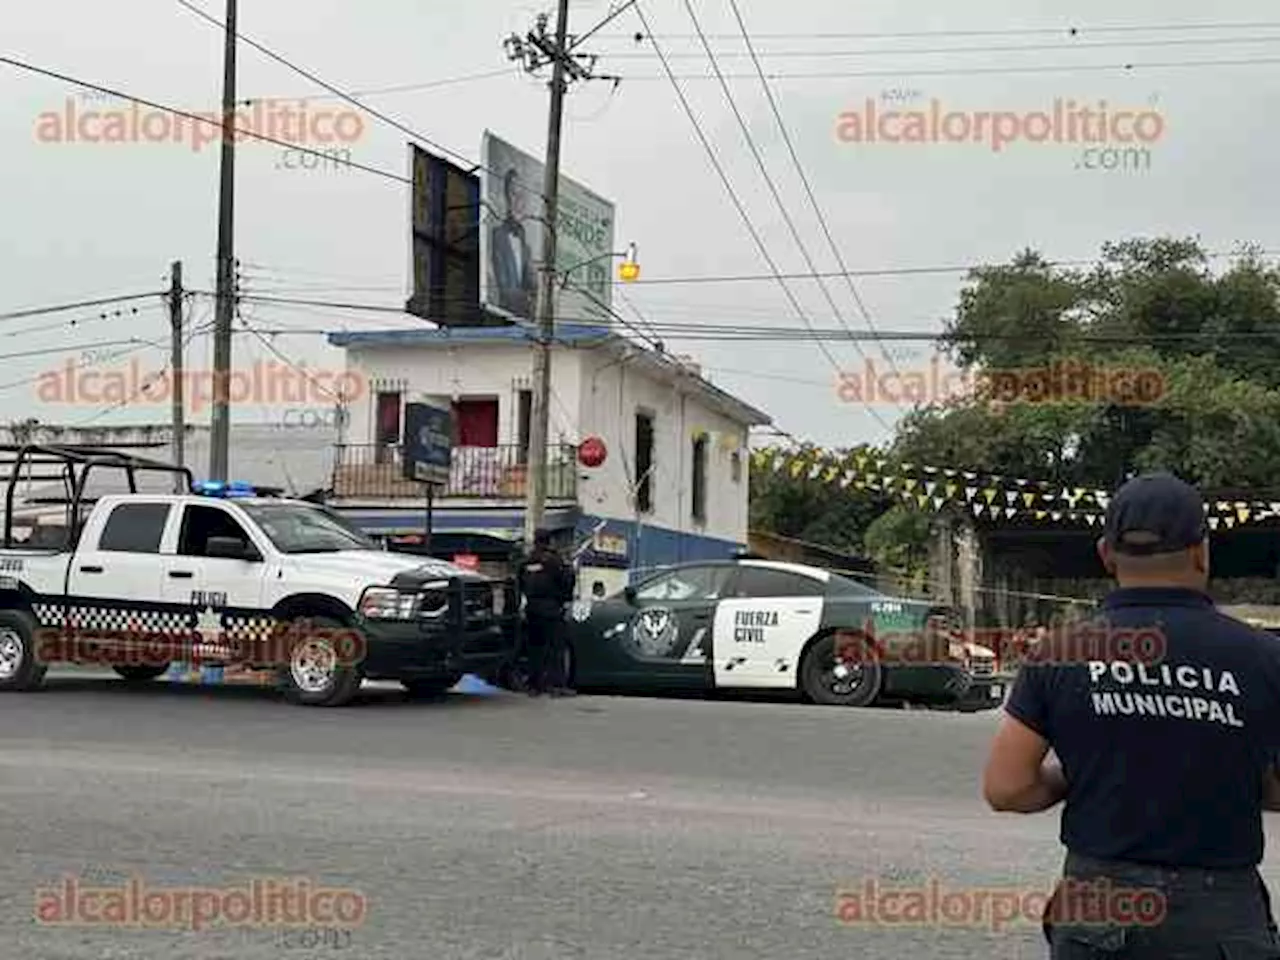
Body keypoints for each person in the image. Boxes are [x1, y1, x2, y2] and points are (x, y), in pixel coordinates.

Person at [982, 472, 1280, 957]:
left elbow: (1007, 786)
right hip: (1219, 913)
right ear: (1202, 551)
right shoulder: (1264, 657)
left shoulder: (1060, 653)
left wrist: (1071, 778)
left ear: (1106, 555)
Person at [518, 528, 576, 697]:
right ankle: (556, 686)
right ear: (550, 541)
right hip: (551, 609)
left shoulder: (527, 561)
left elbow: (520, 583)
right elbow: (566, 581)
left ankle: (534, 685)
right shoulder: (554, 560)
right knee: (555, 648)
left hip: (532, 609)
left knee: (535, 649)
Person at [489, 167, 536, 319]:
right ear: (506, 197)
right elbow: (504, 287)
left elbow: (531, 284)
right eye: (514, 194)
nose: (518, 201)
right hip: (504, 318)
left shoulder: (526, 245)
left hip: (527, 322)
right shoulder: (498, 236)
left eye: (522, 196)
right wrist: (528, 299)